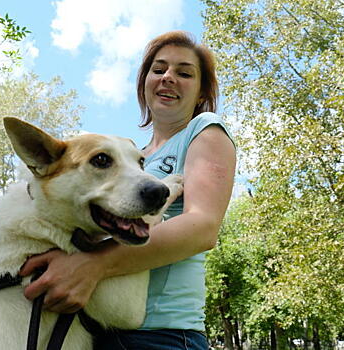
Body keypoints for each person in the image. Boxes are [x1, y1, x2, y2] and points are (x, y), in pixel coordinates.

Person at [19, 31, 236, 349]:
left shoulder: (205, 130)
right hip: (95, 328)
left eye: (184, 72)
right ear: (144, 81)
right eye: (158, 69)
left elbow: (202, 227)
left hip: (162, 336)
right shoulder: (135, 158)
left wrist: (94, 266)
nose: (168, 78)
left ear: (201, 91)